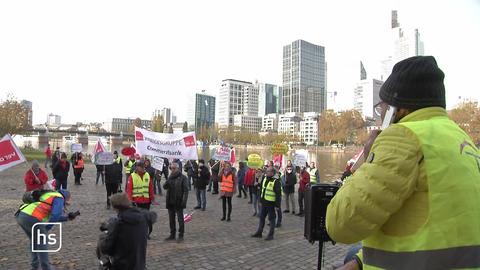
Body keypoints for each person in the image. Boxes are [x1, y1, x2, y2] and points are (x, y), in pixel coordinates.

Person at [327, 56, 480, 270]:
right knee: (355, 254)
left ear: (397, 110)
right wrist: (360, 262)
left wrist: (367, 160)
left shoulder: (403, 136)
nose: (379, 113)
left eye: (382, 107)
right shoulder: (462, 139)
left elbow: (340, 225)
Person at [16, 189, 77, 270]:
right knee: (42, 242)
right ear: (67, 197)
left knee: (34, 241)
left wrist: (67, 218)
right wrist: (47, 228)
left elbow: (53, 216)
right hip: (32, 217)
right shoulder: (59, 198)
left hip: (22, 215)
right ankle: (46, 267)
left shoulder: (49, 195)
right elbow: (55, 215)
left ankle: (34, 266)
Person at [100, 193, 156, 270]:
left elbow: (106, 248)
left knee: (102, 242)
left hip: (122, 266)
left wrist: (103, 238)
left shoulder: (118, 224)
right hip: (140, 265)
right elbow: (153, 215)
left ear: (115, 208)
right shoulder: (143, 217)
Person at [251, 166, 282, 241]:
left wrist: (277, 206)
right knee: (262, 217)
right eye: (266, 171)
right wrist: (261, 201)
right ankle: (259, 232)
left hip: (271, 203)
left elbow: (278, 195)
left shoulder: (276, 181)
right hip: (264, 202)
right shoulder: (265, 179)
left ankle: (271, 235)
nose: (266, 172)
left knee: (272, 219)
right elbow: (262, 190)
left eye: (268, 171)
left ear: (272, 173)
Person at [163, 162, 189, 242]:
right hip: (170, 201)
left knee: (180, 220)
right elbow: (164, 187)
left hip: (178, 202)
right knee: (171, 219)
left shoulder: (183, 178)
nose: (172, 170)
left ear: (178, 168)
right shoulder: (170, 177)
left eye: (174, 168)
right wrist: (168, 179)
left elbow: (185, 191)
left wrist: (184, 202)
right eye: (171, 168)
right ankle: (172, 234)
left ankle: (181, 235)